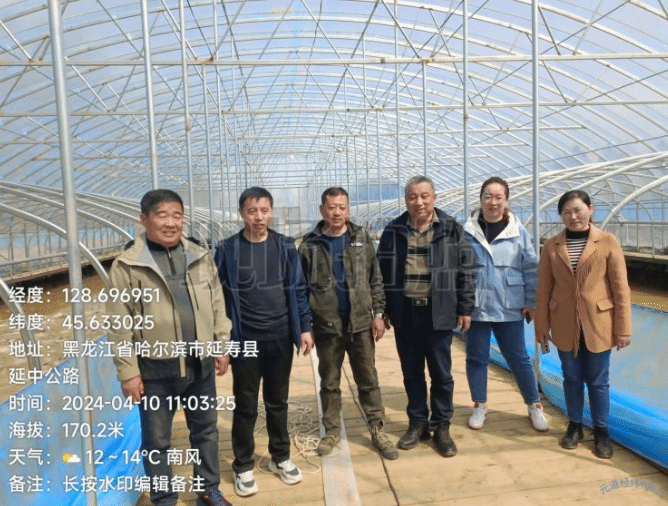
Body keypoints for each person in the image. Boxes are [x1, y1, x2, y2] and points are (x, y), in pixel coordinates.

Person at [107, 189, 234, 506]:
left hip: (199, 365)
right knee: (157, 441)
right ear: (144, 219)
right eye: (162, 215)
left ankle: (208, 489)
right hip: (155, 370)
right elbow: (119, 324)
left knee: (206, 432)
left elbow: (217, 304)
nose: (171, 223)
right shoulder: (127, 266)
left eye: (177, 215)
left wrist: (221, 344)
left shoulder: (199, 256)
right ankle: (164, 498)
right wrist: (128, 372)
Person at [214, 187, 314, 498]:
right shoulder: (228, 249)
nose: (259, 217)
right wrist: (221, 344)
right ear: (241, 213)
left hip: (280, 337)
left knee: (277, 401)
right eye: (252, 211)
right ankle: (243, 464)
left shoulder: (284, 246)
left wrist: (304, 327)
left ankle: (280, 457)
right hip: (245, 340)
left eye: (264, 210)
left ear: (271, 212)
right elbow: (216, 299)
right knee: (245, 404)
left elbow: (298, 289)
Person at [377, 175, 475, 457]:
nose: (418, 202)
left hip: (439, 312)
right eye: (412, 197)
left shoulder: (451, 229)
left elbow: (466, 270)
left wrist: (465, 307)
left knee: (441, 373)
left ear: (434, 198)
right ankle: (417, 423)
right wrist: (382, 310)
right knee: (412, 372)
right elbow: (381, 273)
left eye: (424, 196)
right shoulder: (394, 230)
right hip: (405, 312)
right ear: (406, 200)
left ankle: (441, 426)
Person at [299, 187, 398, 460]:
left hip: (360, 324)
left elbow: (375, 278)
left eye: (342, 207)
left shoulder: (361, 238)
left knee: (368, 380)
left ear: (348, 209)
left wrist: (379, 313)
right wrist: (306, 326)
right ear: (322, 210)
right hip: (327, 326)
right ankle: (331, 431)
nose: (337, 212)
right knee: (329, 382)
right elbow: (300, 289)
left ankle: (377, 429)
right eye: (331, 207)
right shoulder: (310, 245)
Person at [535, 190, 632, 459]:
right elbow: (543, 289)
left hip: (598, 322)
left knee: (599, 381)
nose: (573, 216)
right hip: (564, 322)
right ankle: (575, 426)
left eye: (577, 210)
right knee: (571, 377)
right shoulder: (552, 246)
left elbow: (620, 289)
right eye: (566, 212)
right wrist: (541, 327)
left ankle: (601, 431)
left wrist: (623, 328)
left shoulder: (607, 242)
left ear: (590, 209)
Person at [463, 177, 549, 432]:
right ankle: (480, 405)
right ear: (480, 200)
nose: (493, 202)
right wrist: (461, 306)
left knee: (519, 357)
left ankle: (534, 405)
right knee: (476, 357)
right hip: (477, 306)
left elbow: (530, 268)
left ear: (506, 200)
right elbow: (459, 270)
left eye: (498, 197)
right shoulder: (467, 231)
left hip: (509, 305)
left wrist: (531, 302)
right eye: (488, 197)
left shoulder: (517, 231)